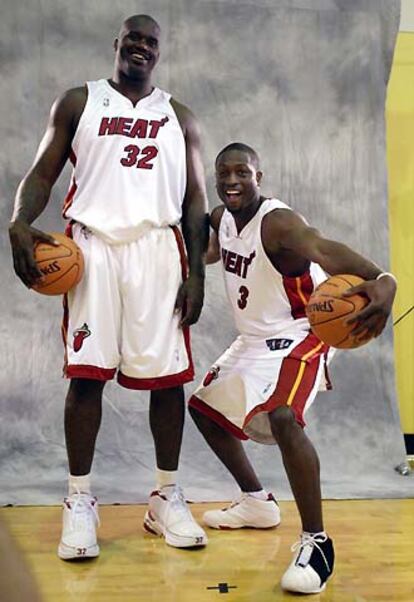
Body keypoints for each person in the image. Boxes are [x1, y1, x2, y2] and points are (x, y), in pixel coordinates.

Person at [8, 14, 209, 559]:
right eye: (133, 38)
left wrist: (197, 272)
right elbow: (42, 173)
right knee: (87, 378)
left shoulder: (179, 115)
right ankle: (79, 502)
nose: (142, 47)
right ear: (116, 45)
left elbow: (195, 200)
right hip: (92, 249)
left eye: (151, 41)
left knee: (167, 381)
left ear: (159, 53)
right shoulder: (80, 101)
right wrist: (19, 220)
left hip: (158, 252)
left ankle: (166, 496)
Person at [188, 142, 397, 594]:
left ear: (258, 177)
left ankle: (317, 544)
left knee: (284, 415)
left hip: (303, 330)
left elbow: (322, 248)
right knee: (203, 409)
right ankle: (256, 502)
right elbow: (211, 251)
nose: (231, 181)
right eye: (224, 173)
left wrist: (383, 279)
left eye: (242, 172)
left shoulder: (278, 223)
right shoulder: (223, 219)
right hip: (255, 339)